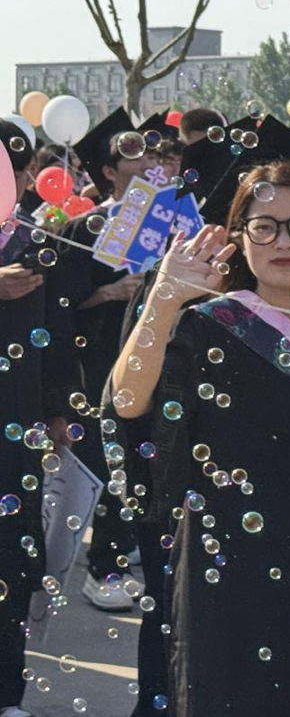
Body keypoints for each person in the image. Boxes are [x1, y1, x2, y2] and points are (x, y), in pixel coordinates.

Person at [105, 142, 290, 715]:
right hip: (226, 571)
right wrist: (163, 299)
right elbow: (128, 403)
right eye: (265, 227)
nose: (285, 241)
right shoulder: (207, 326)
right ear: (239, 238)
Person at [43, 107, 154, 613]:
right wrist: (110, 292)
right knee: (109, 463)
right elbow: (61, 305)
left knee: (142, 463)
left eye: (148, 156)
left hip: (150, 356)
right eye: (132, 157)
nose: (145, 164)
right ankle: (102, 566)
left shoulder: (166, 224)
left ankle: (126, 555)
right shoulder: (85, 229)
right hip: (99, 363)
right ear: (108, 172)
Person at [0, 121, 60, 717]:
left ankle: (7, 691)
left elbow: (59, 332)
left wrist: (62, 408)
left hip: (17, 420)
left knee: (13, 556)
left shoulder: (36, 241)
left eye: (18, 171)